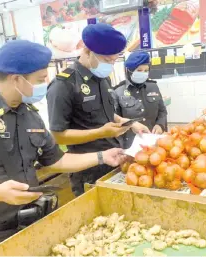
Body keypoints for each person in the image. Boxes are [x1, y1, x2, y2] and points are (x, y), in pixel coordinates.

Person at [0, 40, 126, 257]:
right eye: (41, 79)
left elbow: (57, 161)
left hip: (29, 225)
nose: (46, 83)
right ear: (16, 79)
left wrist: (102, 156)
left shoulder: (30, 115)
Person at [46, 23, 150, 197]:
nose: (110, 65)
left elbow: (104, 112)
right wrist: (100, 133)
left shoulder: (102, 78)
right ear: (87, 51)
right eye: (107, 60)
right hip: (87, 169)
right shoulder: (64, 85)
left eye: (114, 60)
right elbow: (57, 135)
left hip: (115, 159)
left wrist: (129, 123)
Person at [113, 51, 168, 148]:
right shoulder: (118, 92)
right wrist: (130, 125)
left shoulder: (153, 87)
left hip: (153, 142)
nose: (143, 73)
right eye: (139, 70)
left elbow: (162, 111)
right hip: (130, 145)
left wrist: (160, 125)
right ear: (129, 71)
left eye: (146, 70)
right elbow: (115, 120)